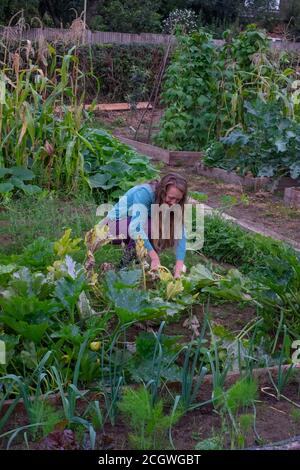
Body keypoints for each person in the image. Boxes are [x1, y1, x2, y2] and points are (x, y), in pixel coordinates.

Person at [103, 173, 188, 278]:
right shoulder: (145, 193)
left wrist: (179, 269)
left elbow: (181, 234)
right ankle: (124, 267)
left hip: (132, 228)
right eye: (171, 198)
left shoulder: (172, 204)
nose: (174, 203)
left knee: (164, 226)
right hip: (109, 228)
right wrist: (154, 258)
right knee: (149, 225)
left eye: (178, 200)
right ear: (162, 191)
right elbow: (135, 228)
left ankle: (139, 264)